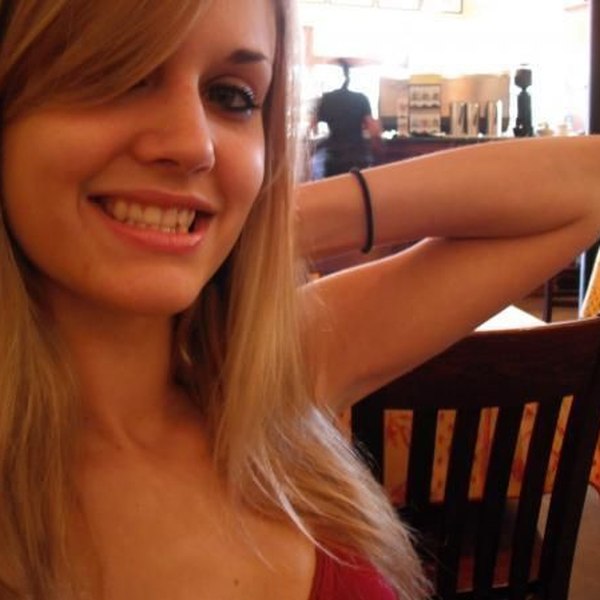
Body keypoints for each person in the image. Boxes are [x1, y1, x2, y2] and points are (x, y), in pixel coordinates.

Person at [1, 1, 600, 599]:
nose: (193, 144)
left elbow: (588, 184)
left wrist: (257, 220)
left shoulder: (262, 376)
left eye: (232, 96)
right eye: (118, 73)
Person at [312, 58, 382, 177]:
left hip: (334, 156)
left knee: (332, 185)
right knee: (358, 185)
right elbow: (373, 129)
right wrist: (377, 147)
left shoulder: (326, 100)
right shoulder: (361, 98)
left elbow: (311, 126)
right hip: (357, 155)